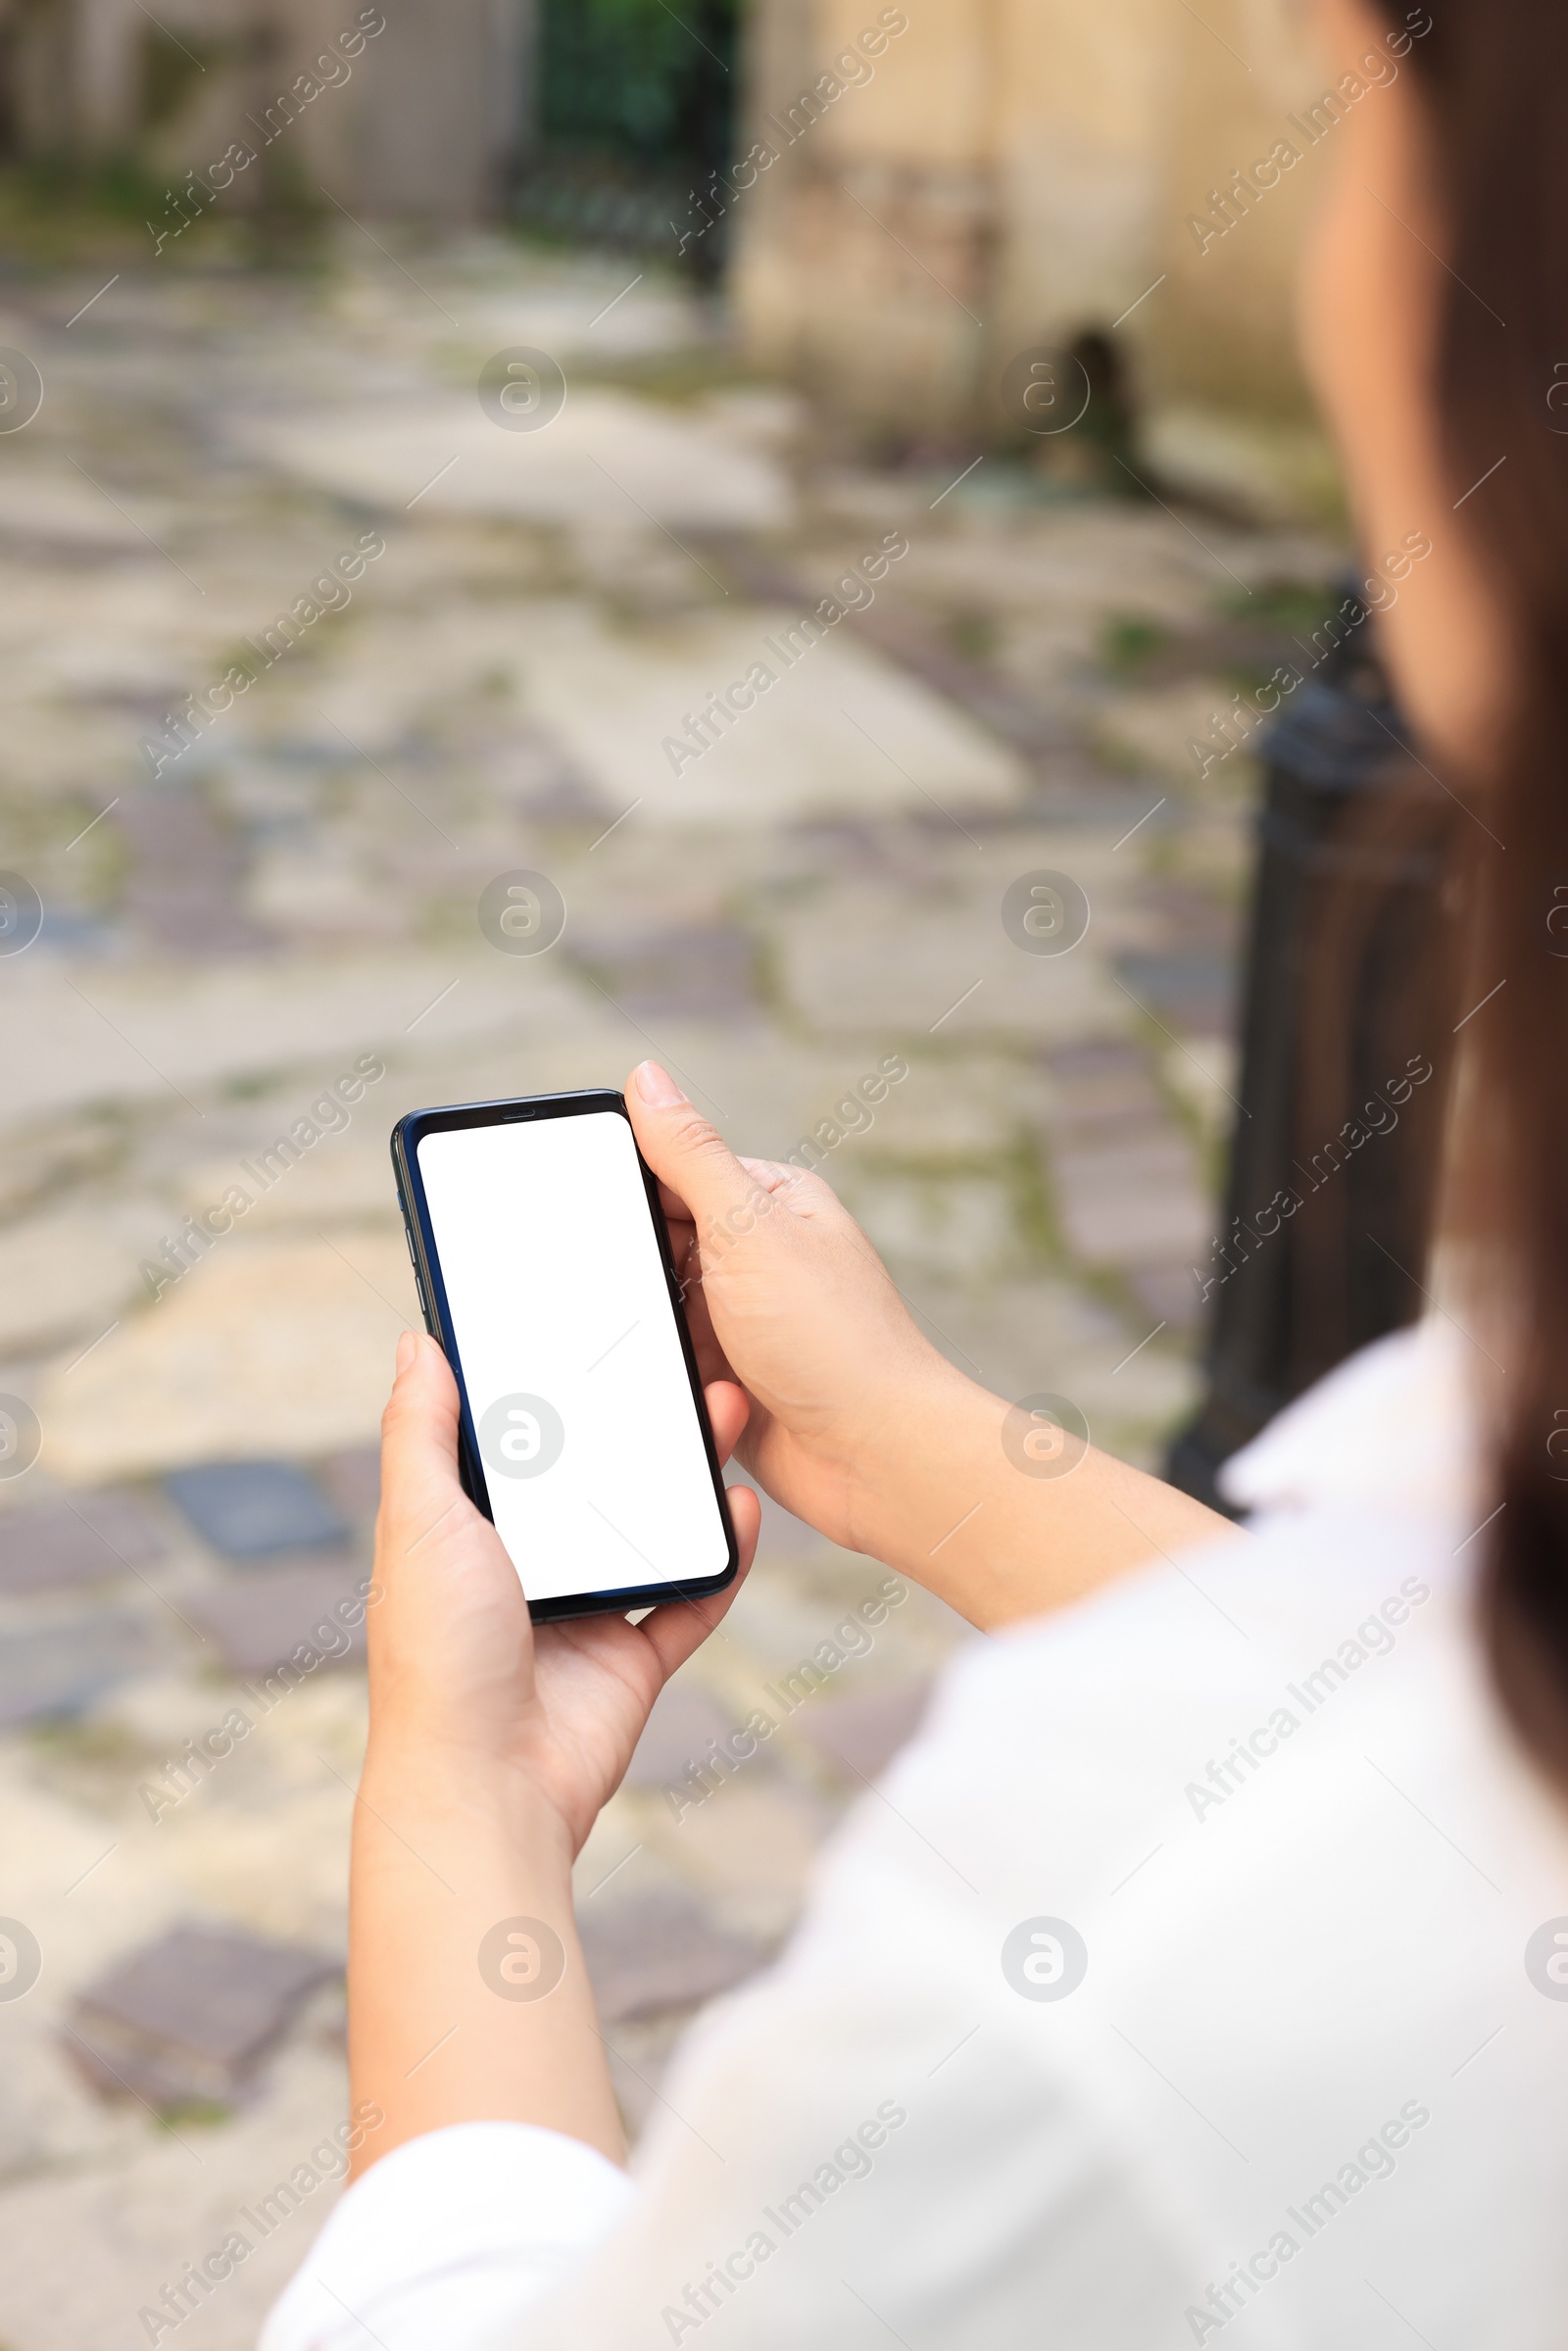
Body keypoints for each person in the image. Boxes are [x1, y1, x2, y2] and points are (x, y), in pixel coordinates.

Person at [264, 0, 1568, 2340]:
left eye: (1350, 111)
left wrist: (455, 1805)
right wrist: (932, 1455)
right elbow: (1415, 1721)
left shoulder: (1100, 2001)